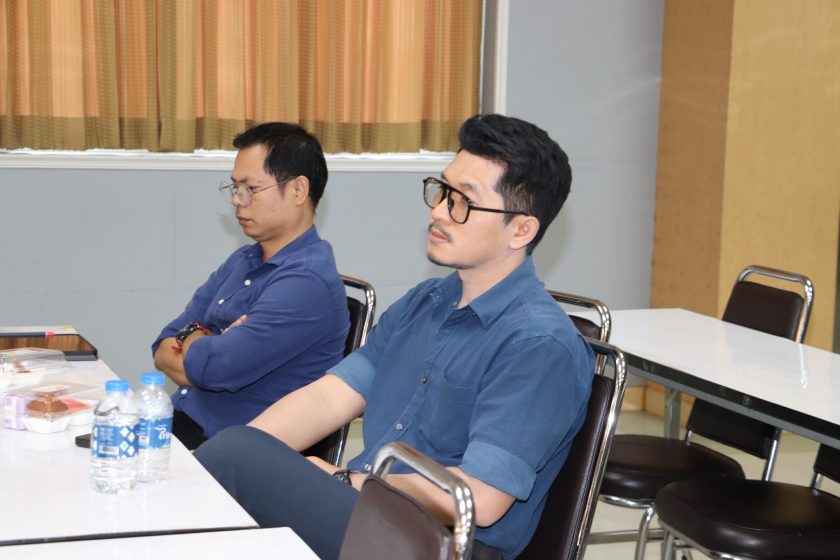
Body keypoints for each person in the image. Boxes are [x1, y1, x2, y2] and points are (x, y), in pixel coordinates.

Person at [195, 114, 594, 559]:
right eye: (441, 190)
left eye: (463, 201)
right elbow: (329, 398)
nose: (438, 211)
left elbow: (480, 499)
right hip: (373, 509)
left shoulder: (538, 343)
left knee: (233, 459)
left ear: (521, 229)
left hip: (443, 545)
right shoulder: (426, 301)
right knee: (237, 455)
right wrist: (250, 454)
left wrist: (349, 481)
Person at [152, 122, 350, 450]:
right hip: (185, 424)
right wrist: (206, 343)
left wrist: (195, 341)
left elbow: (215, 369)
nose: (237, 200)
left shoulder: (306, 283)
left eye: (250, 188)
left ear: (298, 190)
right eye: (234, 187)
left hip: (232, 450)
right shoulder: (244, 259)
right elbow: (162, 346)